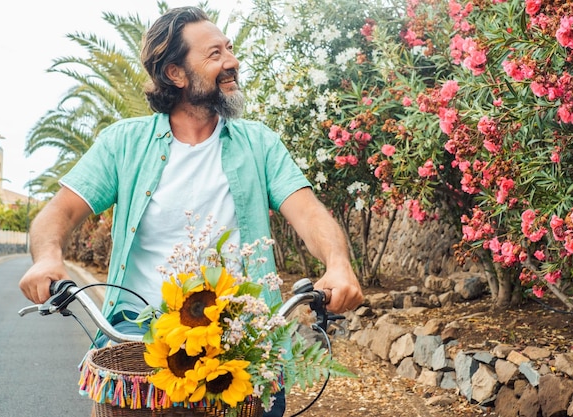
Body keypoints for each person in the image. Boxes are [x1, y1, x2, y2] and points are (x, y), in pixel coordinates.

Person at [18, 5, 363, 417]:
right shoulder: (122, 144)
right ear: (175, 74)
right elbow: (58, 213)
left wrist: (338, 263)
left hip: (244, 339)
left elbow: (308, 213)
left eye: (229, 49)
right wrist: (48, 258)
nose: (232, 62)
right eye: (214, 54)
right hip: (139, 338)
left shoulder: (260, 144)